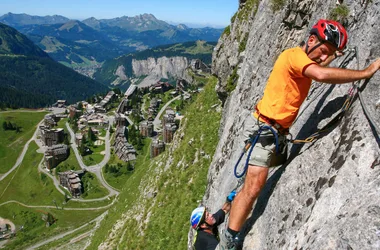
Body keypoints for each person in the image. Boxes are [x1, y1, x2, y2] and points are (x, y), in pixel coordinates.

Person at [218, 19, 380, 250]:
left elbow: (323, 66)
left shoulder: (305, 57)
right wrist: (365, 72)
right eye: (323, 51)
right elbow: (322, 75)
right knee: (254, 186)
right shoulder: (294, 56)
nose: (324, 58)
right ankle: (229, 240)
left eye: (329, 54)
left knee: (254, 179)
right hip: (265, 130)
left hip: (275, 131)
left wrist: (333, 55)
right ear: (311, 40)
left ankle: (226, 206)